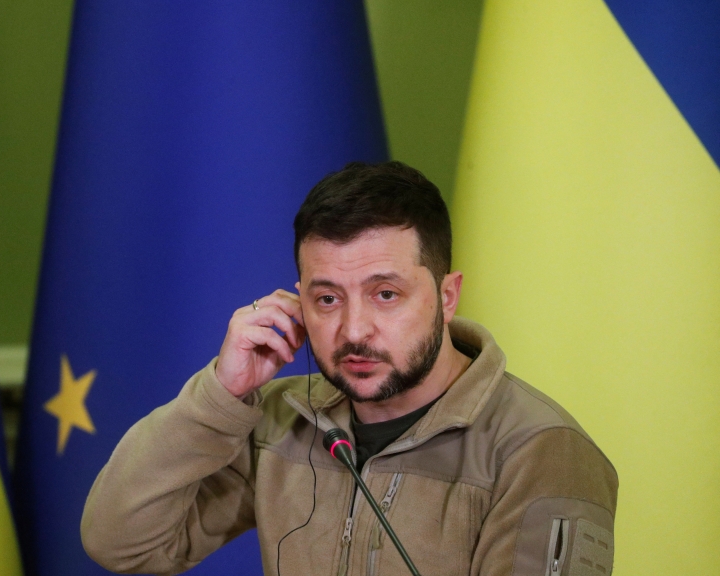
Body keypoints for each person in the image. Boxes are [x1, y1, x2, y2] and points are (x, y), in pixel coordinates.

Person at [81, 161, 617, 575]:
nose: (355, 330)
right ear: (296, 303)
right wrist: (221, 395)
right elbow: (121, 545)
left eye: (385, 294)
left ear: (447, 296)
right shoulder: (280, 418)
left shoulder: (542, 450)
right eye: (328, 299)